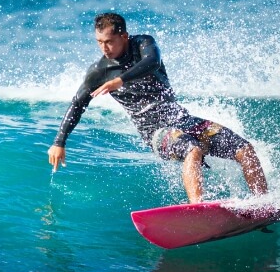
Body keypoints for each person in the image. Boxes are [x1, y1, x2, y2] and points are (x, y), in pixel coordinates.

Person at [48, 13, 268, 203]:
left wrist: (121, 80)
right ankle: (198, 208)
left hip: (183, 119)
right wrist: (59, 142)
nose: (104, 48)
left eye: (109, 41)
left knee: (244, 149)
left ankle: (263, 203)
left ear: (123, 36)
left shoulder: (144, 44)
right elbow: (78, 104)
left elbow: (152, 62)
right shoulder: (100, 71)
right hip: (155, 131)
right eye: (99, 42)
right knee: (193, 149)